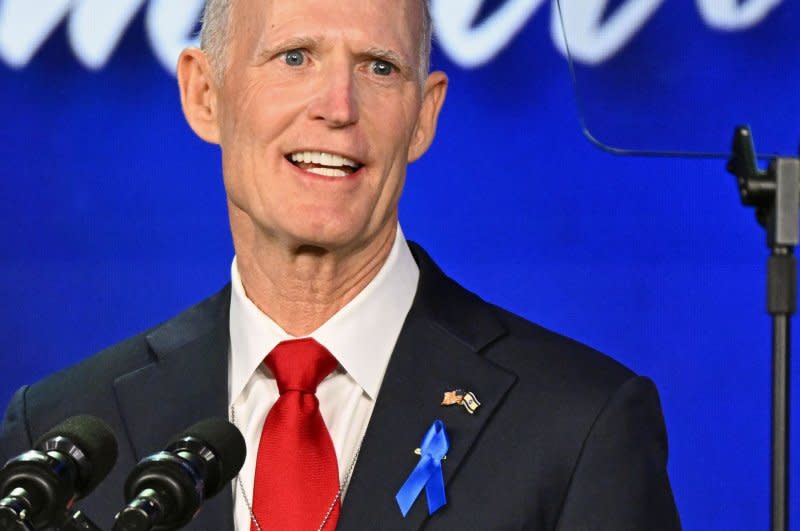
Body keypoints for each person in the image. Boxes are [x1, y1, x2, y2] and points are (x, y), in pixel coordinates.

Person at [0, 0, 680, 529]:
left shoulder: (578, 427)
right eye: (295, 56)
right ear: (204, 94)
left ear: (424, 115)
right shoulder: (62, 431)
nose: (338, 108)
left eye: (378, 67)